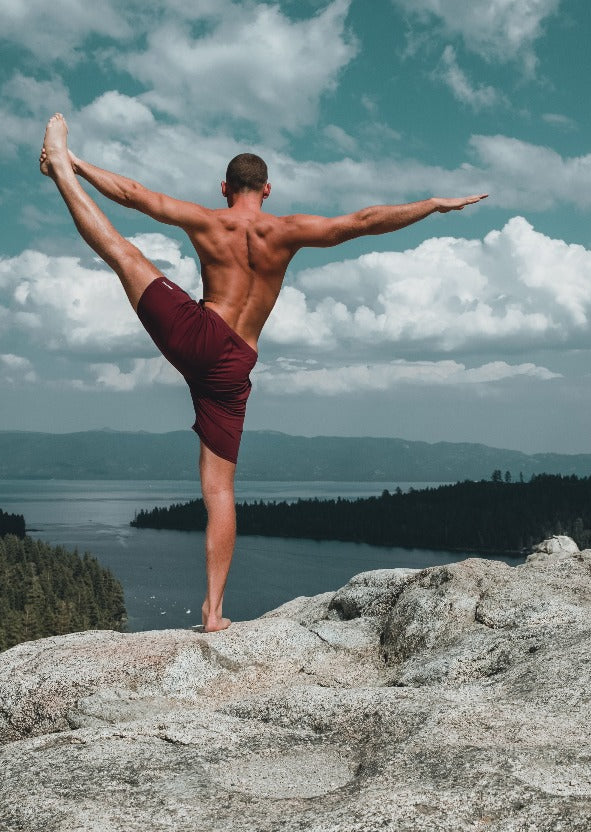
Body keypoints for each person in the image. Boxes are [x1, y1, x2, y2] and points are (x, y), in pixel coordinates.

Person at [38, 113, 487, 632]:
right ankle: (214, 612)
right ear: (267, 189)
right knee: (220, 491)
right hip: (234, 366)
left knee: (122, 252)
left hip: (199, 333)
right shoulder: (287, 231)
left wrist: (77, 162)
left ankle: (63, 176)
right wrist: (431, 205)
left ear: (225, 187)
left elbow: (137, 194)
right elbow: (364, 221)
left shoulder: (209, 220)